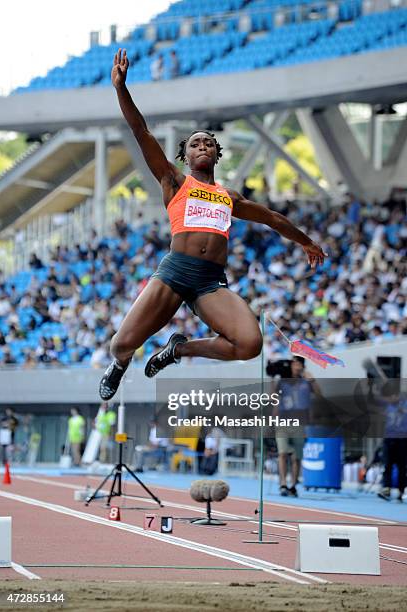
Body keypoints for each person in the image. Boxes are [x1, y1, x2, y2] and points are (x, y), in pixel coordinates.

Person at [99, 48, 327, 401]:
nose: (202, 145)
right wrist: (120, 89)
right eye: (195, 143)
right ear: (186, 156)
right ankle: (119, 364)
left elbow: (272, 218)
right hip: (175, 272)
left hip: (210, 281)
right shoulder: (174, 181)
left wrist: (306, 241)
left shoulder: (228, 195)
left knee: (250, 343)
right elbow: (139, 130)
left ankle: (178, 351)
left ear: (216, 154)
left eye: (208, 142)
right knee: (121, 343)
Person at [273, 357, 321, 497]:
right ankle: (283, 484)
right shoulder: (282, 381)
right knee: (282, 453)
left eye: (299, 363)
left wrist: (312, 379)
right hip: (283, 422)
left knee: (296, 457)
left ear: (302, 366)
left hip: (300, 423)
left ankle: (293, 485)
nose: (296, 366)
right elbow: (273, 398)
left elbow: (319, 394)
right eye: (294, 363)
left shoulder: (306, 382)